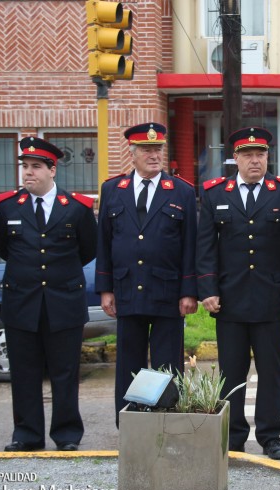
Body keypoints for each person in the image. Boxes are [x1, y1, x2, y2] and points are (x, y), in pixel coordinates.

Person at [196, 126, 280, 460]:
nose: (254, 160)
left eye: (260, 154)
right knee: (232, 372)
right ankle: (234, 435)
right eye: (247, 155)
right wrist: (207, 289)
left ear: (267, 157)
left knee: (272, 372)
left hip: (273, 300)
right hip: (229, 300)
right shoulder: (216, 193)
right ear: (236, 159)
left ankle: (271, 435)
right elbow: (205, 246)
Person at [0, 137, 97, 451]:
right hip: (21, 302)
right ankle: (27, 434)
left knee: (65, 372)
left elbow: (88, 249)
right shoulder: (8, 206)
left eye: (36, 167)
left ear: (52, 170)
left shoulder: (77, 208)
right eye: (24, 166)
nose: (28, 173)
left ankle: (66, 434)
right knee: (24, 372)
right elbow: (3, 249)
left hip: (63, 301)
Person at [95, 123, 198, 424]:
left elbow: (190, 245)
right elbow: (104, 241)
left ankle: (166, 419)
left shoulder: (182, 191)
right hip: (127, 289)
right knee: (129, 360)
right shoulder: (113, 189)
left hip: (167, 291)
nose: (154, 155)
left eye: (158, 149)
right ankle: (129, 421)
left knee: (168, 363)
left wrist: (189, 291)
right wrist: (105, 289)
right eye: (146, 150)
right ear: (133, 153)